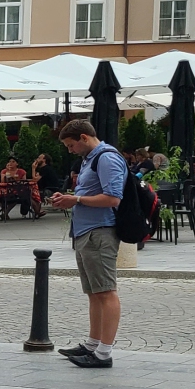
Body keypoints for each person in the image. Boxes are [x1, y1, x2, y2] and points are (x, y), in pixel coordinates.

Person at [54, 119, 125, 369]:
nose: (70, 150)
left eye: (71, 145)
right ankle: (93, 344)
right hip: (87, 231)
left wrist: (76, 200)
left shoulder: (106, 158)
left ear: (84, 138)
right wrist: (70, 198)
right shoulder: (89, 158)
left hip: (100, 231)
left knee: (105, 291)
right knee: (94, 292)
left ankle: (104, 353)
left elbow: (113, 198)